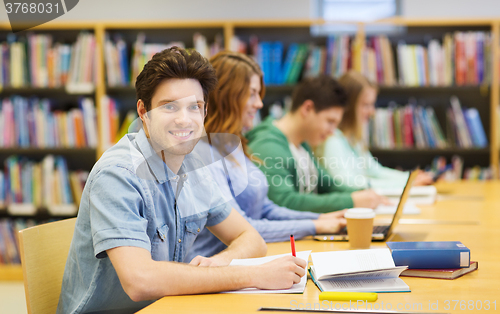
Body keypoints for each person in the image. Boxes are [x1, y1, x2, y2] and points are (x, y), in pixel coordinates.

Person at [56, 47, 306, 314]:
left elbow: (250, 238)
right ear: (143, 111)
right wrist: (252, 275)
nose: (184, 119)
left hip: (169, 306)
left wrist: (220, 263)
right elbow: (139, 280)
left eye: (195, 107)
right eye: (169, 106)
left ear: (205, 112)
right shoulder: (118, 174)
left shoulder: (194, 166)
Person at [185, 52, 347, 262]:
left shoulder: (233, 146)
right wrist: (314, 225)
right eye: (252, 94)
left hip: (240, 262)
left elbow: (266, 209)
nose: (259, 104)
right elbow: (245, 227)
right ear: (228, 95)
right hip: (210, 269)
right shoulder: (204, 154)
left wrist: (319, 218)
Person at [246, 75, 388, 213]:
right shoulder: (268, 146)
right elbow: (284, 202)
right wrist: (351, 201)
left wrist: (363, 194)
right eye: (330, 122)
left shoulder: (301, 144)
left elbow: (327, 184)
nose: (332, 132)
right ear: (307, 108)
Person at [317, 70, 434, 189]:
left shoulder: (353, 139)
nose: (372, 112)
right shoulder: (333, 140)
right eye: (366, 105)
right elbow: (349, 183)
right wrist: (406, 184)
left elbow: (375, 171)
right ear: (348, 107)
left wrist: (410, 178)